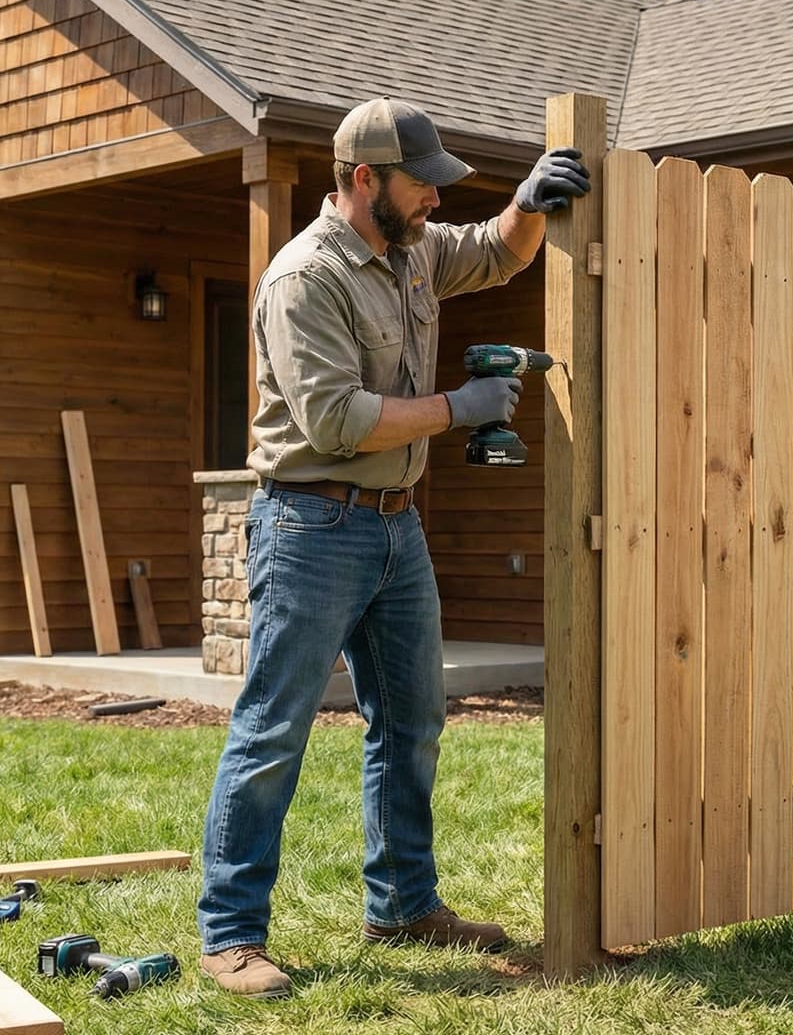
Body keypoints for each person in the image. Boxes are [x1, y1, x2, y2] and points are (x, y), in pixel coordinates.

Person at [195, 96, 590, 998]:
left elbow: (496, 250)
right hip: (308, 527)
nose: (436, 204)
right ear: (364, 179)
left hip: (395, 528)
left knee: (411, 724)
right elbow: (335, 421)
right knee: (273, 731)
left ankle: (404, 906)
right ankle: (229, 936)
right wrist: (460, 409)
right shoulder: (305, 279)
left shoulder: (410, 254)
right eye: (422, 186)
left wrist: (529, 200)